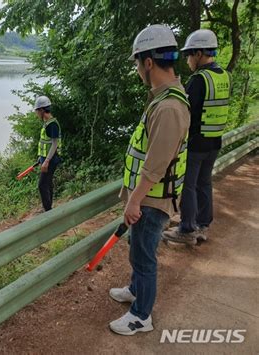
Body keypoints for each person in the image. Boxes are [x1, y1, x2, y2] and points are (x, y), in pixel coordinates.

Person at [108, 24, 190, 335]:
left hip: (151, 198)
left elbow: (157, 163)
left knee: (144, 255)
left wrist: (134, 198)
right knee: (137, 249)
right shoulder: (163, 97)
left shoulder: (169, 106)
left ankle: (141, 315)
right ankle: (135, 289)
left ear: (149, 62)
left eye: (137, 62)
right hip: (149, 195)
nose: (137, 69)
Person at [163, 29, 232, 245]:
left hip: (196, 143)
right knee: (204, 183)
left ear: (200, 53)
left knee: (188, 185)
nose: (188, 59)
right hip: (215, 140)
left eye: (190, 54)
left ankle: (186, 229)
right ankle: (202, 225)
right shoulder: (224, 76)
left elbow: (185, 112)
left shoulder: (199, 80)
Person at [34, 95, 62, 211]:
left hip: (51, 159)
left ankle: (48, 211)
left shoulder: (52, 124)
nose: (36, 113)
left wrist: (46, 161)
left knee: (42, 185)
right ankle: (49, 207)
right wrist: (41, 158)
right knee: (48, 182)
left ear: (42, 110)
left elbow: (55, 144)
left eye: (36, 111)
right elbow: (46, 143)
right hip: (46, 158)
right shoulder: (47, 123)